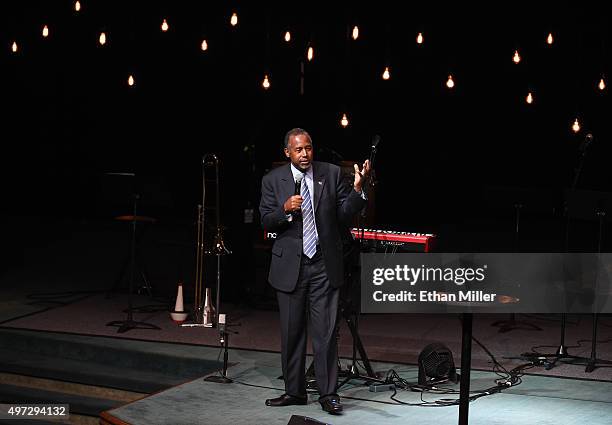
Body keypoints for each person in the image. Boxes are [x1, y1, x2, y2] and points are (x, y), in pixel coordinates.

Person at [259, 128, 370, 415]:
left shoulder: (331, 174)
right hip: (290, 267)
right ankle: (294, 392)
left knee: (325, 333)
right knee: (292, 333)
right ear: (287, 152)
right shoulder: (273, 180)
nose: (305, 154)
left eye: (308, 148)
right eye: (299, 150)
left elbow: (346, 213)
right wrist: (284, 209)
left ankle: (328, 394)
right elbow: (266, 219)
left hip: (323, 264)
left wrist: (358, 189)